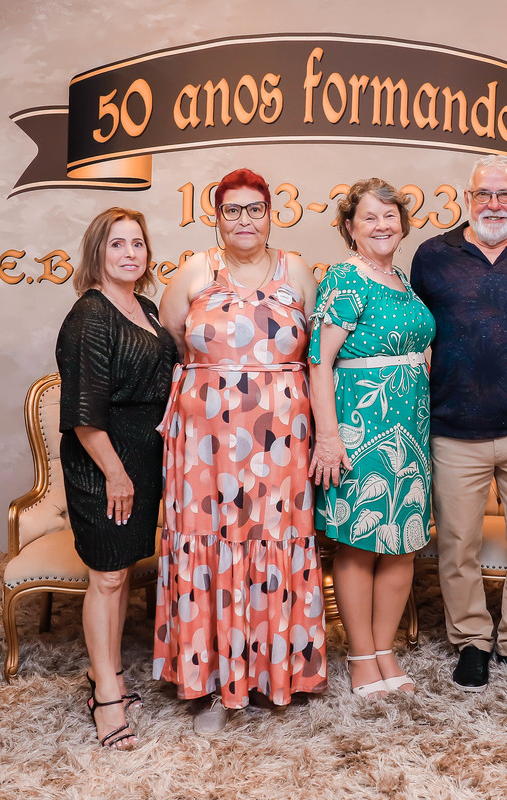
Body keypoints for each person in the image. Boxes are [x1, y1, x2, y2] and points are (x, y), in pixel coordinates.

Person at [154, 167, 327, 733]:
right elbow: (174, 338)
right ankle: (210, 683)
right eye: (233, 210)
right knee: (210, 544)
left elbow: (317, 353)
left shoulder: (296, 271)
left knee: (274, 541)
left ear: (271, 214)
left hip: (281, 441)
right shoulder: (194, 271)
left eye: (255, 209)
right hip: (205, 444)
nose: (245, 220)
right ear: (217, 217)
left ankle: (274, 674)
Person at [409, 154, 507, 694]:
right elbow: (412, 334)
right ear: (466, 199)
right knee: (457, 544)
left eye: (504, 195)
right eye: (483, 194)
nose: (493, 204)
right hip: (453, 427)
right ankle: (472, 640)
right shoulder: (432, 256)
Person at [55, 207, 178, 749]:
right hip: (105, 462)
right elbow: (84, 413)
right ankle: (105, 694)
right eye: (117, 244)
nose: (130, 253)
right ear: (97, 253)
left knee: (122, 571)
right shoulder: (90, 315)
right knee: (106, 576)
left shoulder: (145, 307)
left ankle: (111, 673)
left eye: (137, 243)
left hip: (143, 460)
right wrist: (116, 474)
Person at [308, 178, 436, 696]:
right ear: (350, 227)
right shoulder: (345, 277)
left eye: (389, 216)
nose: (382, 225)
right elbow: (320, 362)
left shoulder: (400, 278)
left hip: (411, 427)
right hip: (361, 425)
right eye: (369, 217)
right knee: (360, 546)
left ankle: (385, 650)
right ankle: (361, 655)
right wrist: (328, 438)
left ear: (402, 224)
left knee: (403, 544)